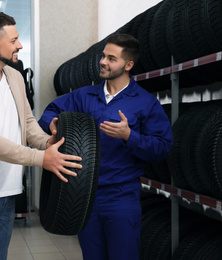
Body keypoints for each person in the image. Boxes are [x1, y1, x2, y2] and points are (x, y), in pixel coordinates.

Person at [0, 11, 82, 260]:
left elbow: (28, 123)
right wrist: (41, 158)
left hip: (8, 191)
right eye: (13, 40)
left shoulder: (15, 76)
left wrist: (48, 142)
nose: (19, 45)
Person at [38, 34, 173, 260]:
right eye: (103, 56)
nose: (103, 61)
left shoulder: (145, 102)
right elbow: (50, 111)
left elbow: (162, 148)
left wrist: (129, 135)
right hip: (85, 195)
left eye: (111, 58)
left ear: (128, 65)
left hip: (121, 197)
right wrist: (52, 124)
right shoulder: (84, 96)